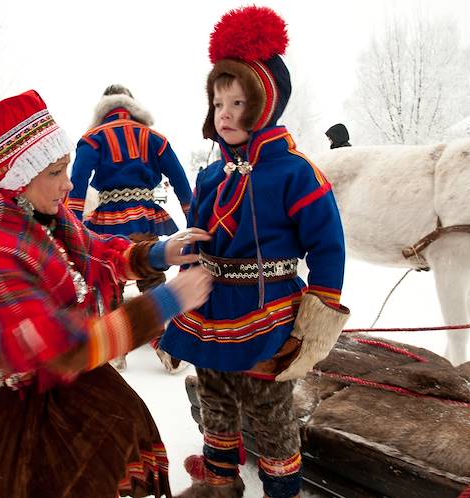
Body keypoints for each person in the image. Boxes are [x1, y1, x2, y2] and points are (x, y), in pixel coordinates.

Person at [0, 90, 213, 498]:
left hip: (47, 371)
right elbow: (65, 349)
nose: (69, 184)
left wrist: (160, 251)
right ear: (18, 176)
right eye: (56, 172)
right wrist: (167, 301)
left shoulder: (38, 213)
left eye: (66, 168)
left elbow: (97, 251)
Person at [159, 7, 350, 498]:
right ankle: (220, 483)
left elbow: (328, 245)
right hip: (211, 308)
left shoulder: (296, 173)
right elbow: (199, 232)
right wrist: (187, 258)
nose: (224, 113)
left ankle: (280, 490)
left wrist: (315, 321)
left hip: (269, 313)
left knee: (268, 413)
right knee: (216, 400)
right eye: (218, 101)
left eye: (238, 102)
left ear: (264, 105)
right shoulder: (210, 174)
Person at [66, 84, 194, 372]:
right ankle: (165, 346)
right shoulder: (154, 137)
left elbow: (78, 180)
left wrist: (71, 223)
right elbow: (179, 178)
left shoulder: (93, 138)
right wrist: (193, 217)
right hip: (145, 216)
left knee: (111, 275)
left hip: (108, 219)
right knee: (150, 273)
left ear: (103, 107)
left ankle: (115, 350)